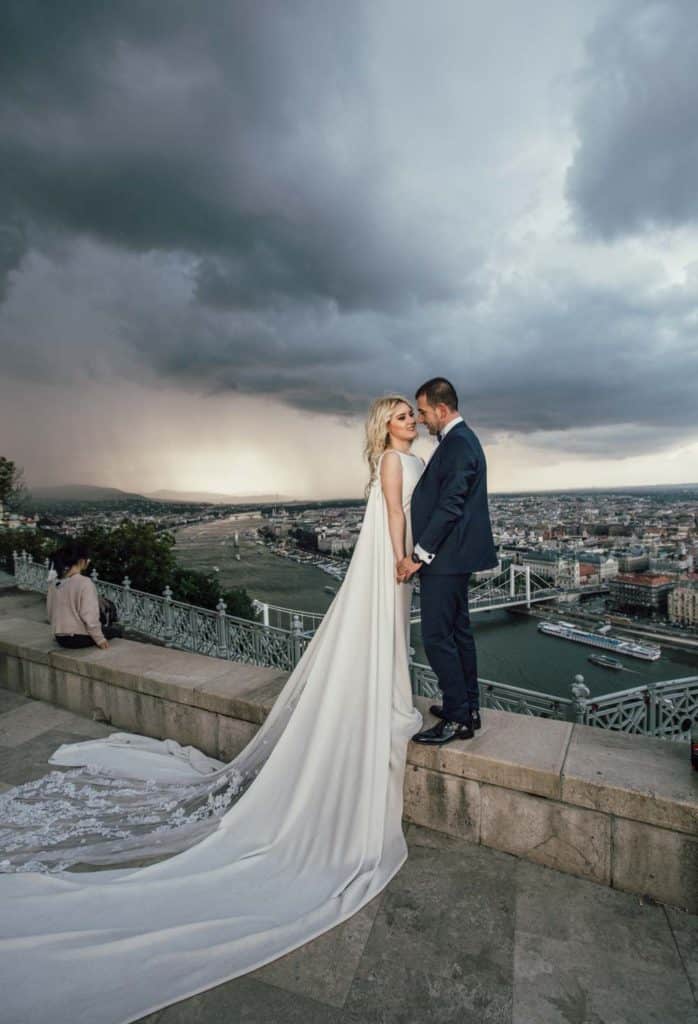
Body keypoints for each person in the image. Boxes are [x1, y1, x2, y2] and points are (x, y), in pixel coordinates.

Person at [0, 395, 424, 1024]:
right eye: (400, 417)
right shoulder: (394, 464)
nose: (410, 422)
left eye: (412, 415)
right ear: (383, 428)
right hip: (394, 567)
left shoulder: (407, 457)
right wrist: (404, 563)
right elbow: (395, 515)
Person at [397, 377, 498, 745]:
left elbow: (450, 505)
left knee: (437, 637)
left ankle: (457, 717)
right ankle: (467, 708)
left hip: (444, 558)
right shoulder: (461, 440)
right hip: (455, 557)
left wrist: (418, 556)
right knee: (458, 634)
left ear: (441, 409)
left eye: (422, 412)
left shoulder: (456, 444)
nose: (421, 420)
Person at [46, 542, 114, 649]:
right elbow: (89, 616)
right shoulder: (84, 583)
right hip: (77, 638)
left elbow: (50, 611)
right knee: (115, 632)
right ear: (82, 561)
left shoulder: (54, 583)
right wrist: (100, 639)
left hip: (60, 638)